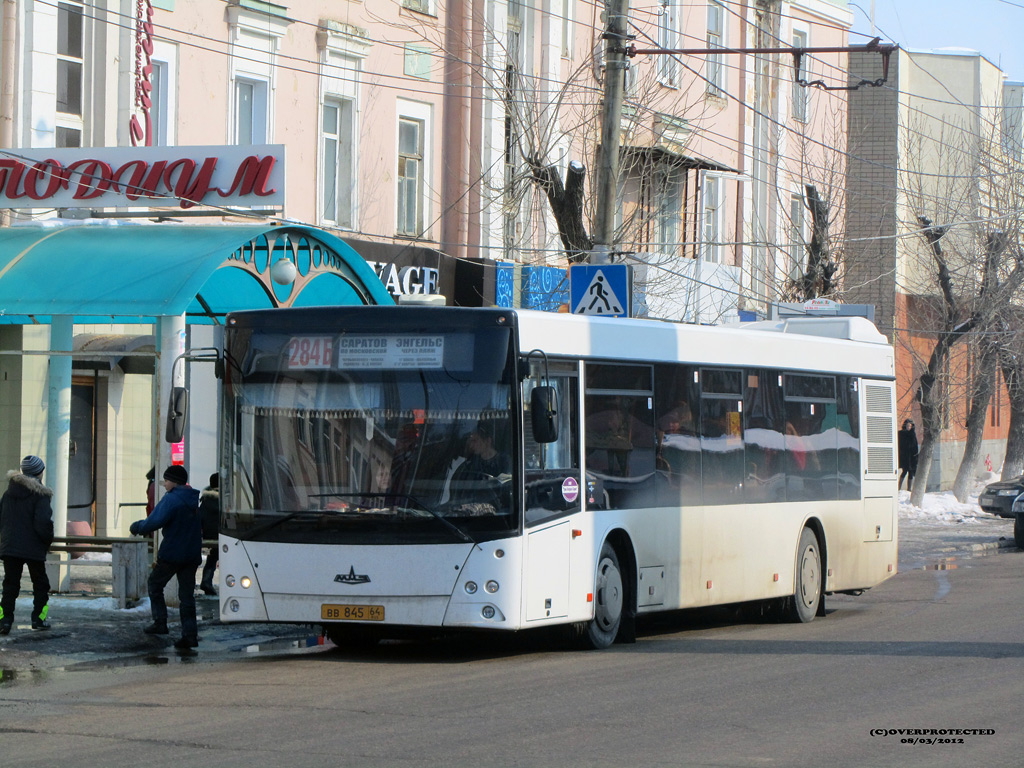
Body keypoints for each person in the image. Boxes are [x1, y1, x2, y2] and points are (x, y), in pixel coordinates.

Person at [129, 465, 202, 650]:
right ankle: (190, 635)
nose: (165, 484)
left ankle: (160, 623)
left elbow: (154, 521)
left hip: (172, 554)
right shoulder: (193, 499)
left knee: (154, 584)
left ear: (174, 482)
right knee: (186, 596)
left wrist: (137, 526)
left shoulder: (172, 499)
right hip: (191, 554)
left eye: (166, 481)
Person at [0, 456, 55, 634]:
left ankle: (4, 621)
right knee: (41, 584)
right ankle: (39, 618)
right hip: (33, 548)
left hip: (10, 547)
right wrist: (47, 540)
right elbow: (43, 523)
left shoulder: (8, 493)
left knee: (10, 585)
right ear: (40, 472)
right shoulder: (41, 495)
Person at [198, 473, 220, 596]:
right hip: (221, 534)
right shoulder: (224, 500)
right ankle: (207, 581)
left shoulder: (205, 499)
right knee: (215, 557)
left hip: (207, 534)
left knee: (212, 558)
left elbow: (201, 516)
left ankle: (206, 581)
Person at [898, 418, 919, 491]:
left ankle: (909, 489)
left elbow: (915, 446)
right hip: (905, 457)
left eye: (910, 426)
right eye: (907, 426)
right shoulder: (901, 434)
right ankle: (899, 488)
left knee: (911, 472)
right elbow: (900, 446)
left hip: (912, 457)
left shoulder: (913, 434)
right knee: (904, 471)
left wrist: (916, 456)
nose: (908, 427)